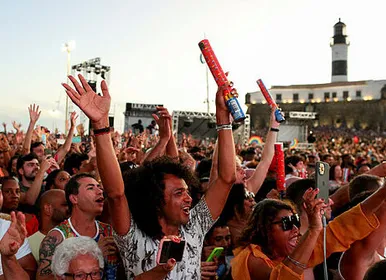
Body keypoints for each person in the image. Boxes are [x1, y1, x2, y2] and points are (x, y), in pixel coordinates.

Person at [62, 74, 236, 279]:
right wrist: (101, 125)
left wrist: (223, 119)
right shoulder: (133, 237)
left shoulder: (194, 227)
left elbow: (226, 179)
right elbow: (116, 194)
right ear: (156, 200)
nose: (189, 198)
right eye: (179, 193)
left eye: (187, 192)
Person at [231, 183, 386, 280]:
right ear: (263, 229)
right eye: (286, 224)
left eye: (296, 221)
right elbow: (281, 277)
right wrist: (314, 229)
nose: (295, 229)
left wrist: (383, 192)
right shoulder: (250, 258)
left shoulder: (293, 254)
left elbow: (341, 228)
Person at [36, 173, 120, 280]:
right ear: (74, 199)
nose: (100, 191)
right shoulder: (57, 237)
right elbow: (43, 279)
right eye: (90, 188)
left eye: (99, 187)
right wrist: (94, 254)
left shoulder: (109, 231)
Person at [28, 189, 69, 261]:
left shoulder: (74, 237)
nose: (69, 209)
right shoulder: (28, 245)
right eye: (65, 205)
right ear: (48, 209)